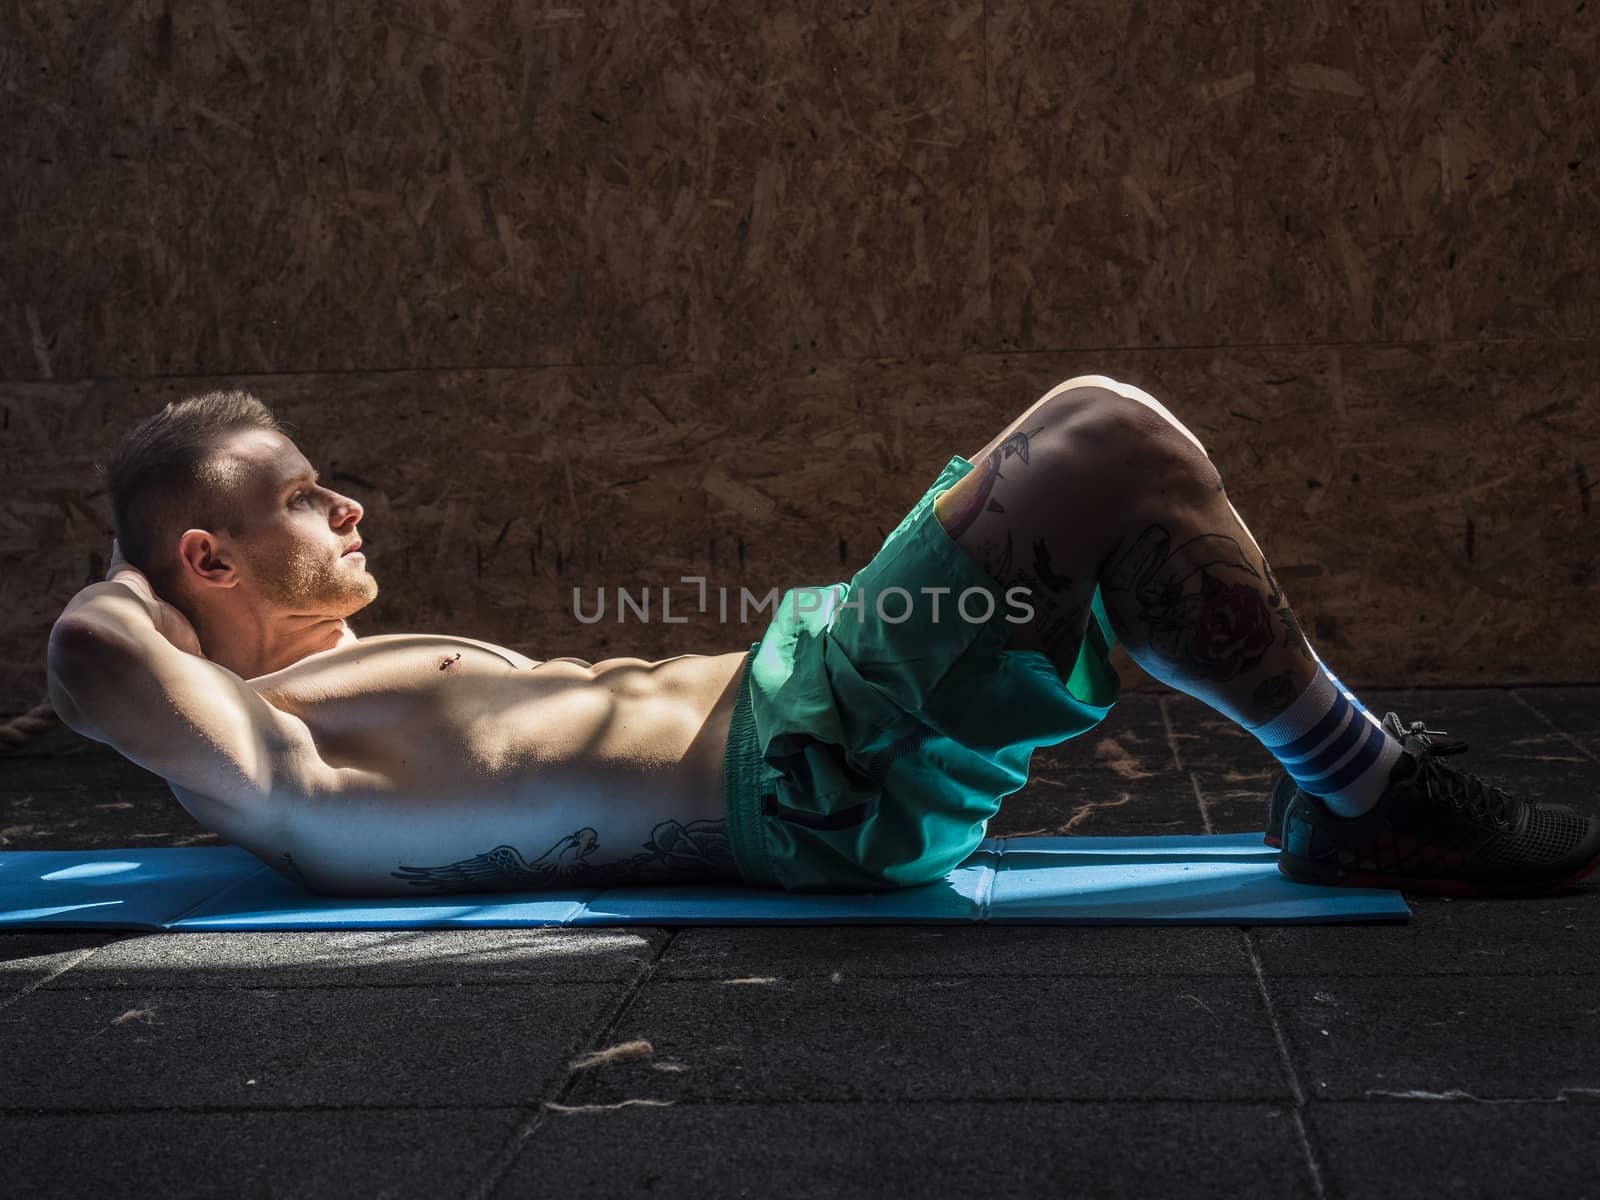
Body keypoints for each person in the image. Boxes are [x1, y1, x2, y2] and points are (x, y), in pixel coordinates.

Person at [46, 381, 1600, 898]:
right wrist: (120, 584)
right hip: (810, 767)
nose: (354, 510)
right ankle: (1369, 785)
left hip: (816, 719)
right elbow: (95, 657)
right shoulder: (264, 752)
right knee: (1099, 435)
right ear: (203, 558)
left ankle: (1346, 792)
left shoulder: (337, 680)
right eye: (311, 501)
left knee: (1115, 511)